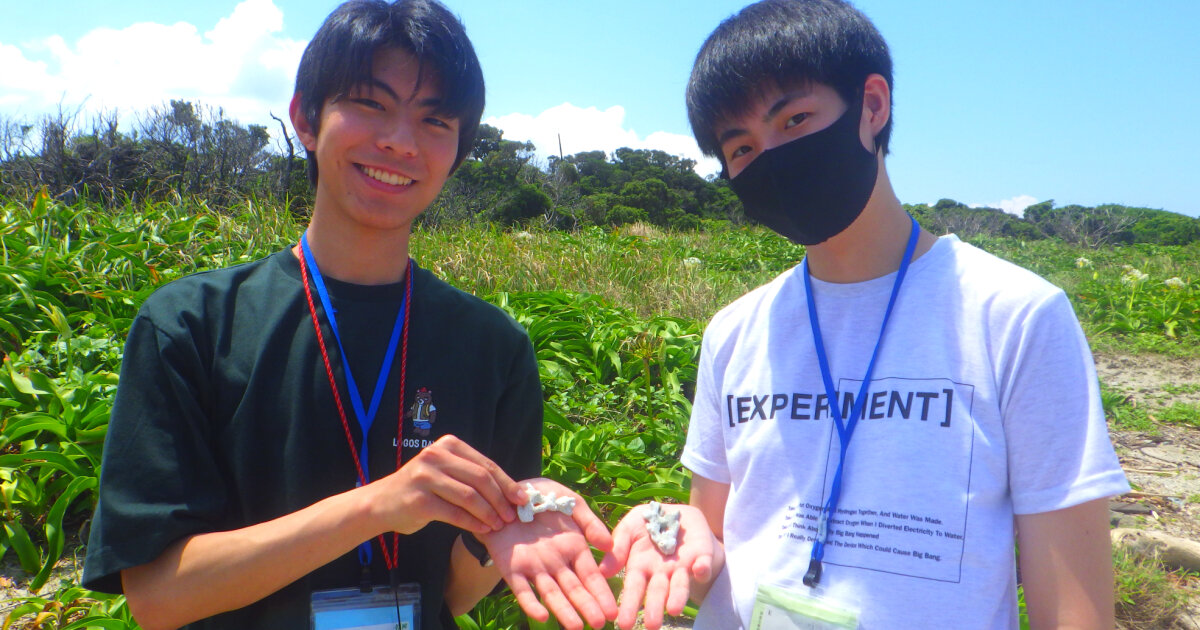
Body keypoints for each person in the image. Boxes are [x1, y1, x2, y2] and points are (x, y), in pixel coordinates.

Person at [81, 2, 617, 629]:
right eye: (370, 103)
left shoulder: (495, 348)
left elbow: (454, 592)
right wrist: (375, 508)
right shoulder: (191, 325)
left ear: (457, 150)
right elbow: (157, 597)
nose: (400, 140)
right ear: (306, 118)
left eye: (435, 119)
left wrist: (509, 521)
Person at [601, 1, 1130, 628]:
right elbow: (714, 554)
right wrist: (670, 539)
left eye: (795, 119)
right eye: (741, 147)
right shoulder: (734, 331)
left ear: (872, 106)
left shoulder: (1014, 316)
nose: (770, 157)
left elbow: (1073, 609)